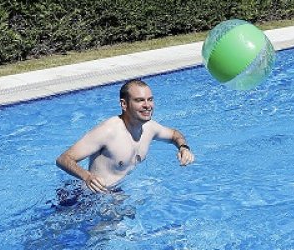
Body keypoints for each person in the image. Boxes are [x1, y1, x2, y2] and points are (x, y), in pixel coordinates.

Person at [55, 79, 194, 193]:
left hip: (117, 194)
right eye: (140, 100)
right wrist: (87, 177)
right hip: (90, 198)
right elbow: (63, 159)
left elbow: (175, 134)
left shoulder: (150, 127)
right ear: (124, 104)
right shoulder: (108, 131)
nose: (147, 105)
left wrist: (183, 148)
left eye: (150, 99)